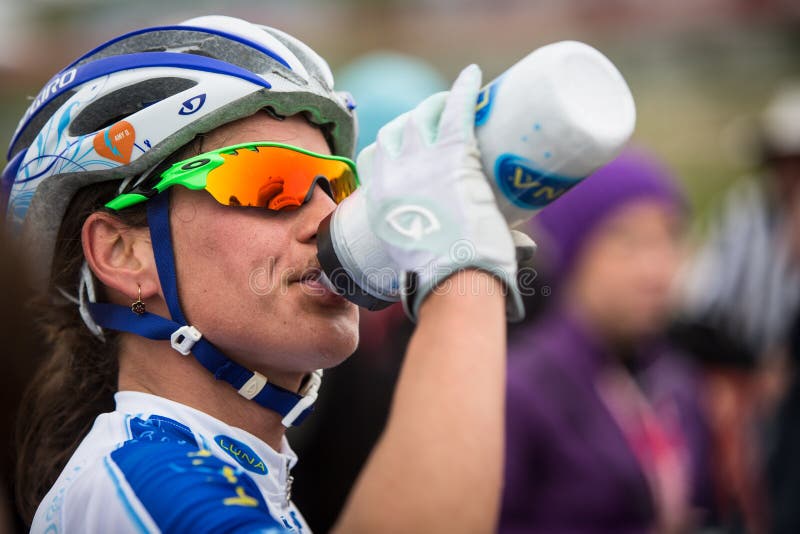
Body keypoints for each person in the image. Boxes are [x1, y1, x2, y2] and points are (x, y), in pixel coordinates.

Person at [5, 15, 521, 533]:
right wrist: (461, 281)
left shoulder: (210, 469)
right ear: (122, 253)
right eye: (269, 182)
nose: (330, 220)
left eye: (339, 187)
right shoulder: (144, 480)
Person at [500, 148, 713, 533]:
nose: (656, 269)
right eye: (627, 242)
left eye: (669, 238)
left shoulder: (675, 378)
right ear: (573, 252)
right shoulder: (522, 391)